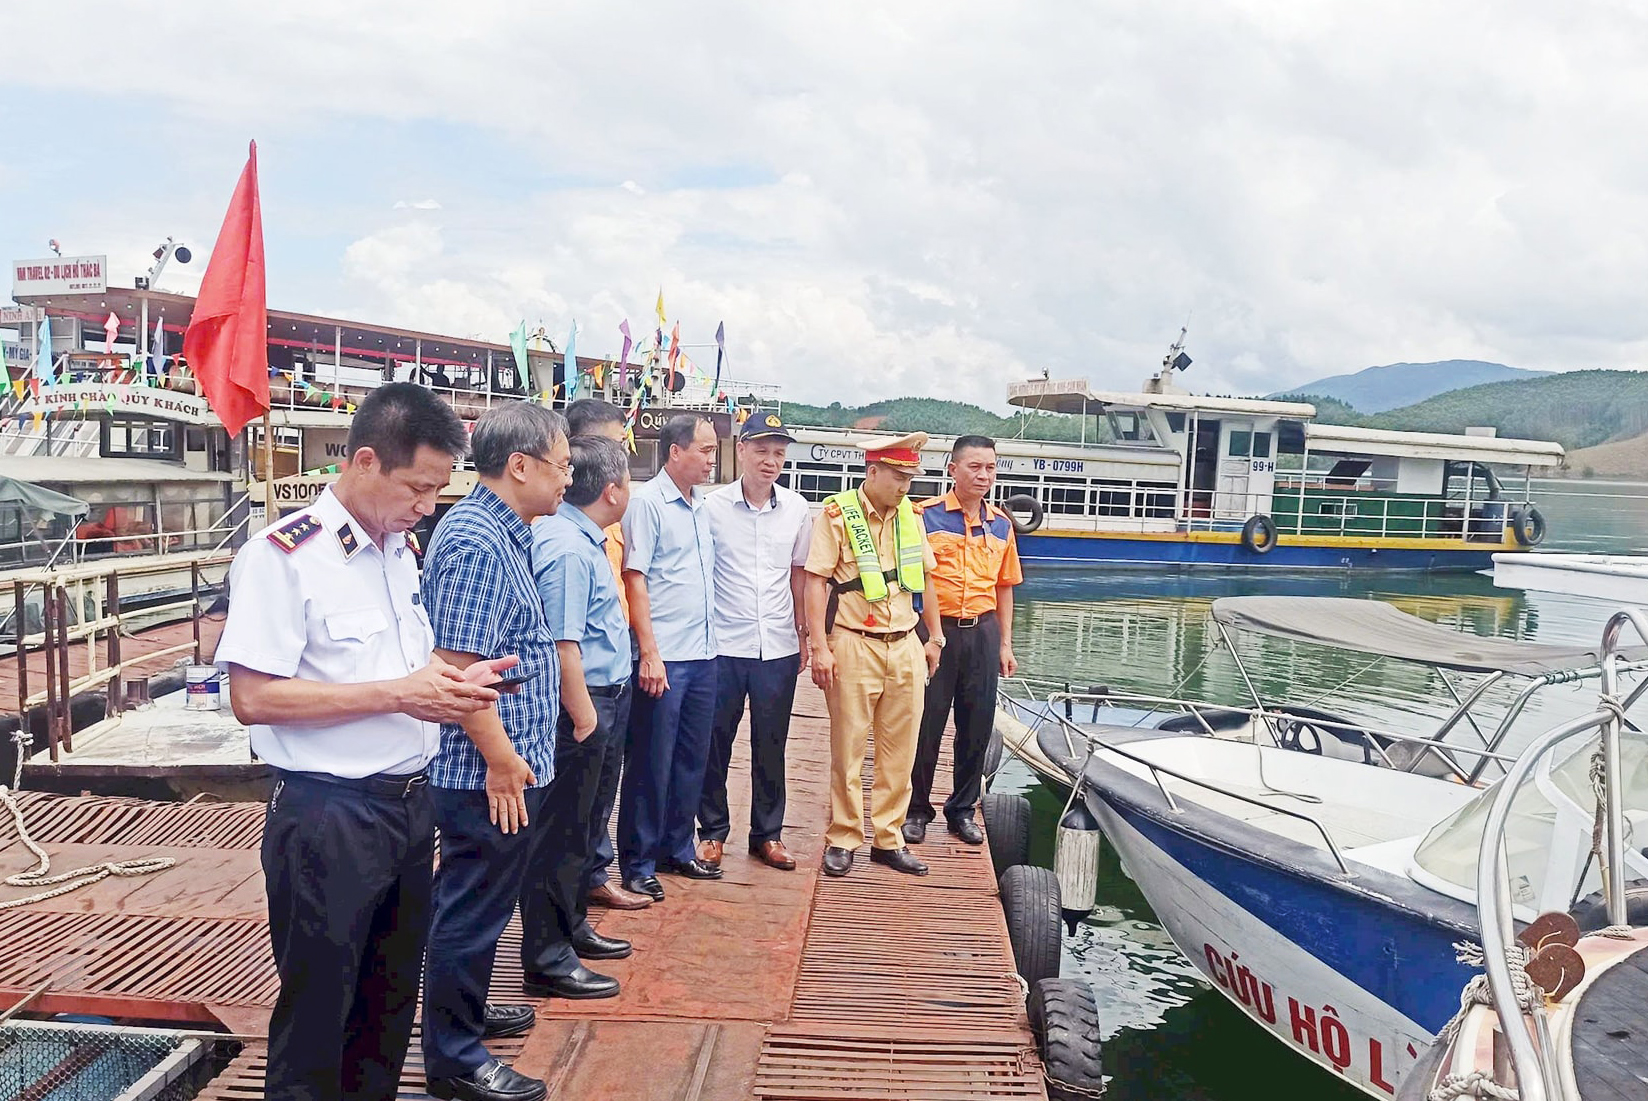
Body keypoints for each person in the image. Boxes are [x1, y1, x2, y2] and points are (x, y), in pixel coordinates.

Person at [219, 382, 505, 1101]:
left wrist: (456, 681)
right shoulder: (285, 557)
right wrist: (401, 694)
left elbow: (398, 669)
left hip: (407, 811)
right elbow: (253, 698)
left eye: (439, 490)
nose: (428, 506)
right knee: (319, 1018)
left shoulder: (397, 551)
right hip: (327, 817)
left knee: (385, 1012)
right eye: (418, 487)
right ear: (367, 460)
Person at [419, 403, 572, 1101]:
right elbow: (457, 666)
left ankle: (469, 1009)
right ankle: (453, 1058)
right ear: (520, 465)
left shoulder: (506, 533)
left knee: (487, 904)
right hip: (487, 772)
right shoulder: (477, 540)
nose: (568, 478)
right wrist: (503, 759)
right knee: (472, 907)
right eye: (561, 465)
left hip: (508, 764)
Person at [803, 432, 942, 878]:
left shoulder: (910, 517)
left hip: (905, 644)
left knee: (901, 749)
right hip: (854, 642)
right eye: (898, 477)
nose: (904, 486)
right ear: (873, 471)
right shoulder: (837, 515)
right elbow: (815, 582)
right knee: (848, 746)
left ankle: (889, 837)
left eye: (910, 478)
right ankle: (844, 835)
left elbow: (926, 579)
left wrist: (934, 637)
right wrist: (819, 646)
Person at [526, 435, 636, 990]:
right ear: (613, 490)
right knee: (562, 832)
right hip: (583, 705)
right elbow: (561, 643)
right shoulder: (568, 547)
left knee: (585, 823)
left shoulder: (583, 537)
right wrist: (585, 717)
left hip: (601, 698)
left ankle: (572, 928)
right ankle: (547, 956)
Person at [697, 412, 812, 872]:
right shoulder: (710, 507)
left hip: (777, 646)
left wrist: (805, 634)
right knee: (715, 741)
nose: (770, 461)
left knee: (772, 743)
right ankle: (711, 832)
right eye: (761, 450)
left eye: (779, 453)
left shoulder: (799, 509)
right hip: (724, 643)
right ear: (740, 450)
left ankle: (767, 834)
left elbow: (799, 573)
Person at [618, 414, 721, 901]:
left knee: (690, 761)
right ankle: (638, 862)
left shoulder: (701, 507)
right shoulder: (647, 504)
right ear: (675, 451)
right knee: (651, 763)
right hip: (667, 657)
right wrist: (649, 654)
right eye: (703, 449)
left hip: (704, 653)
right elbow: (636, 578)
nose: (711, 458)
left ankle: (678, 847)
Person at [904, 435, 1023, 847]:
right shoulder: (925, 517)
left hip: (984, 632)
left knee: (977, 725)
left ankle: (962, 810)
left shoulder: (1002, 525)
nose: (984, 475)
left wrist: (1005, 644)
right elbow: (915, 581)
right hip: (937, 634)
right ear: (952, 469)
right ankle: (916, 810)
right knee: (927, 723)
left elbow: (1005, 586)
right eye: (974, 466)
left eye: (990, 467)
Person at [562, 399, 651, 912]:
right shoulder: (568, 532)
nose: (626, 451)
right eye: (619, 442)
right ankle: (570, 907)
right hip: (587, 689)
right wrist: (583, 713)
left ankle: (591, 876)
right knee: (578, 802)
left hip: (612, 671)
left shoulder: (603, 524)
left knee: (602, 790)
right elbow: (563, 640)